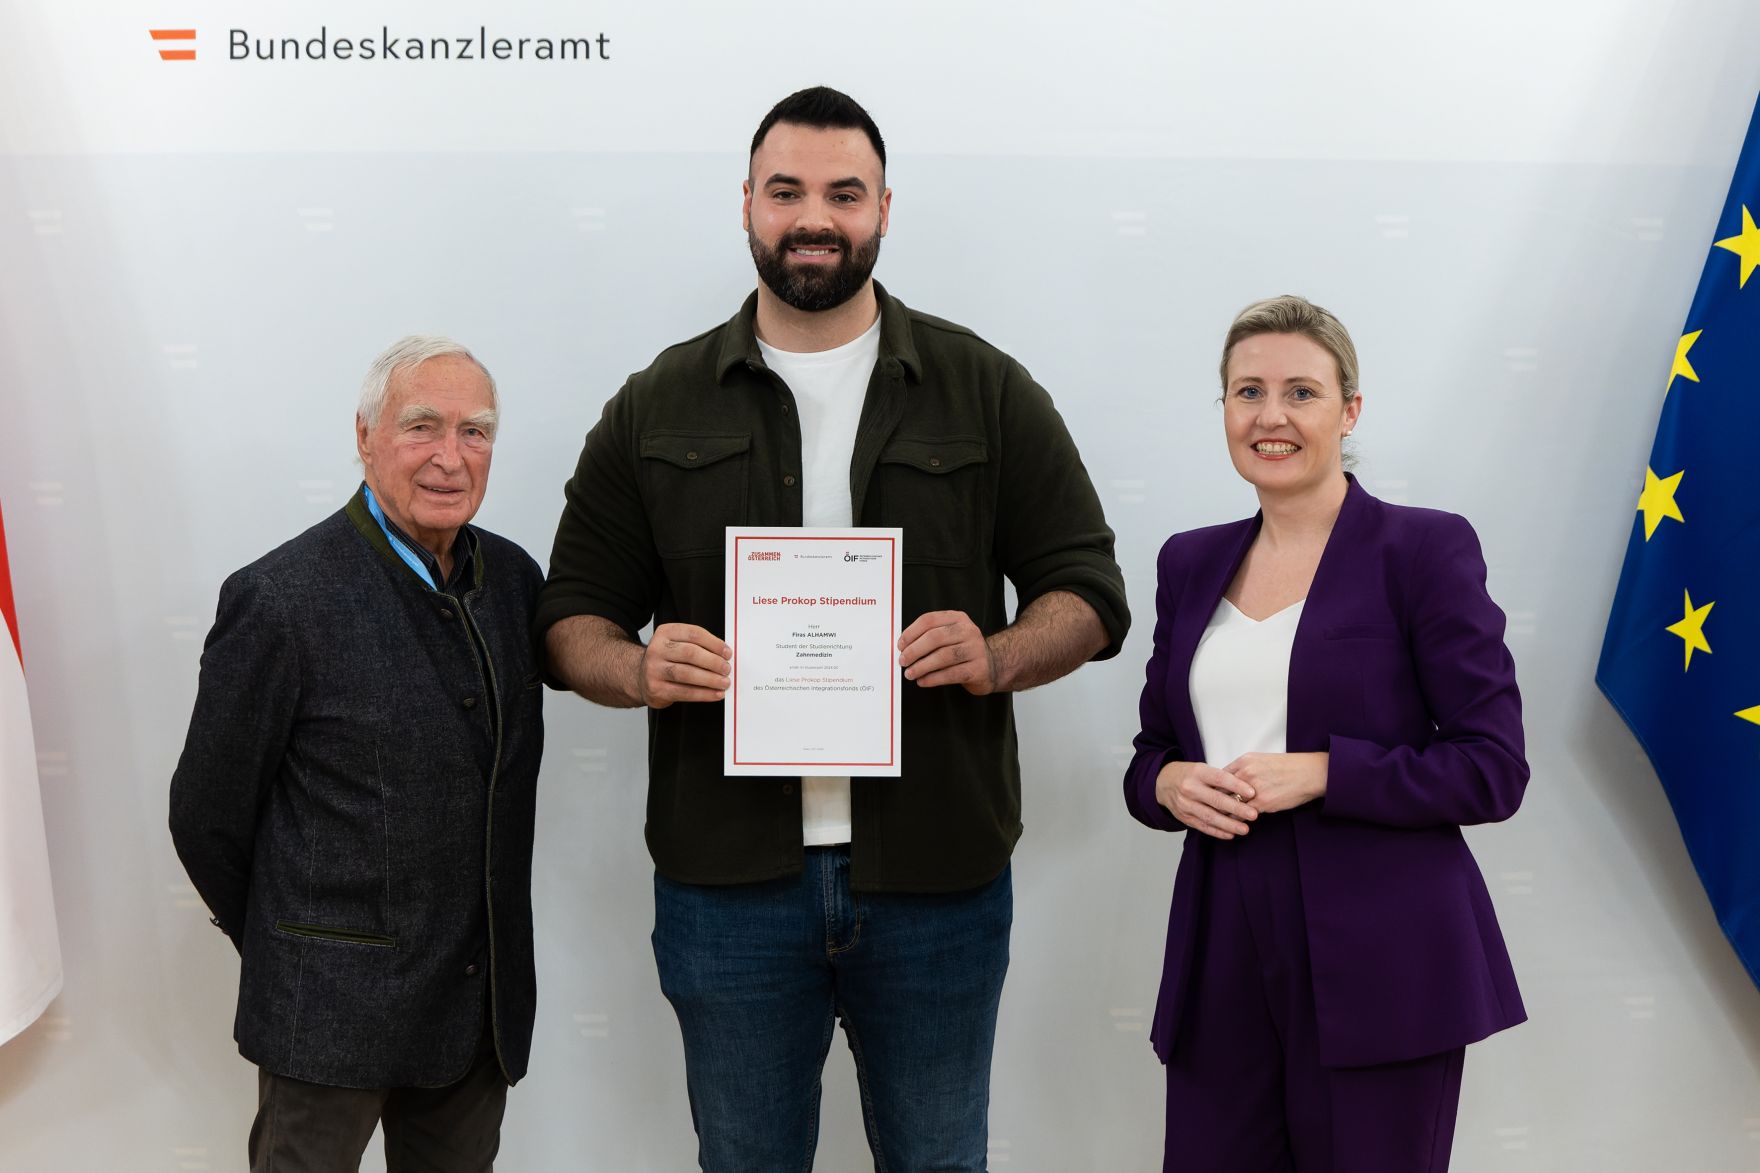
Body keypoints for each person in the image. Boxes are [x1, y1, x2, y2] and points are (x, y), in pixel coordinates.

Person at [537, 86, 1129, 1172]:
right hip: (728, 888)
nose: (814, 217)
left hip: (937, 881)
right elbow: (571, 615)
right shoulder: (657, 402)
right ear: (747, 205)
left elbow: (1088, 593)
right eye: (787, 192)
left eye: (844, 194)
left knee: (939, 1160)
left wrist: (995, 655)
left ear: (884, 210)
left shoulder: (984, 389)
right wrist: (638, 666)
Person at [1123, 296, 1527, 1172]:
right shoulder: (1189, 559)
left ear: (1349, 411)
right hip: (1221, 934)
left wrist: (1323, 773)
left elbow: (1493, 768)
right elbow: (1150, 755)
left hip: (1383, 945)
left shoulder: (1424, 549)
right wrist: (1167, 784)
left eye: (1300, 392)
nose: (1270, 416)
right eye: (1248, 392)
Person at [169, 336, 545, 1173]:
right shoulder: (280, 598)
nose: (451, 456)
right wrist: (297, 944)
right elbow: (205, 816)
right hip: (325, 1016)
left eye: (476, 431)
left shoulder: (515, 581)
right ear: (366, 435)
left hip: (472, 1009)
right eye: (422, 426)